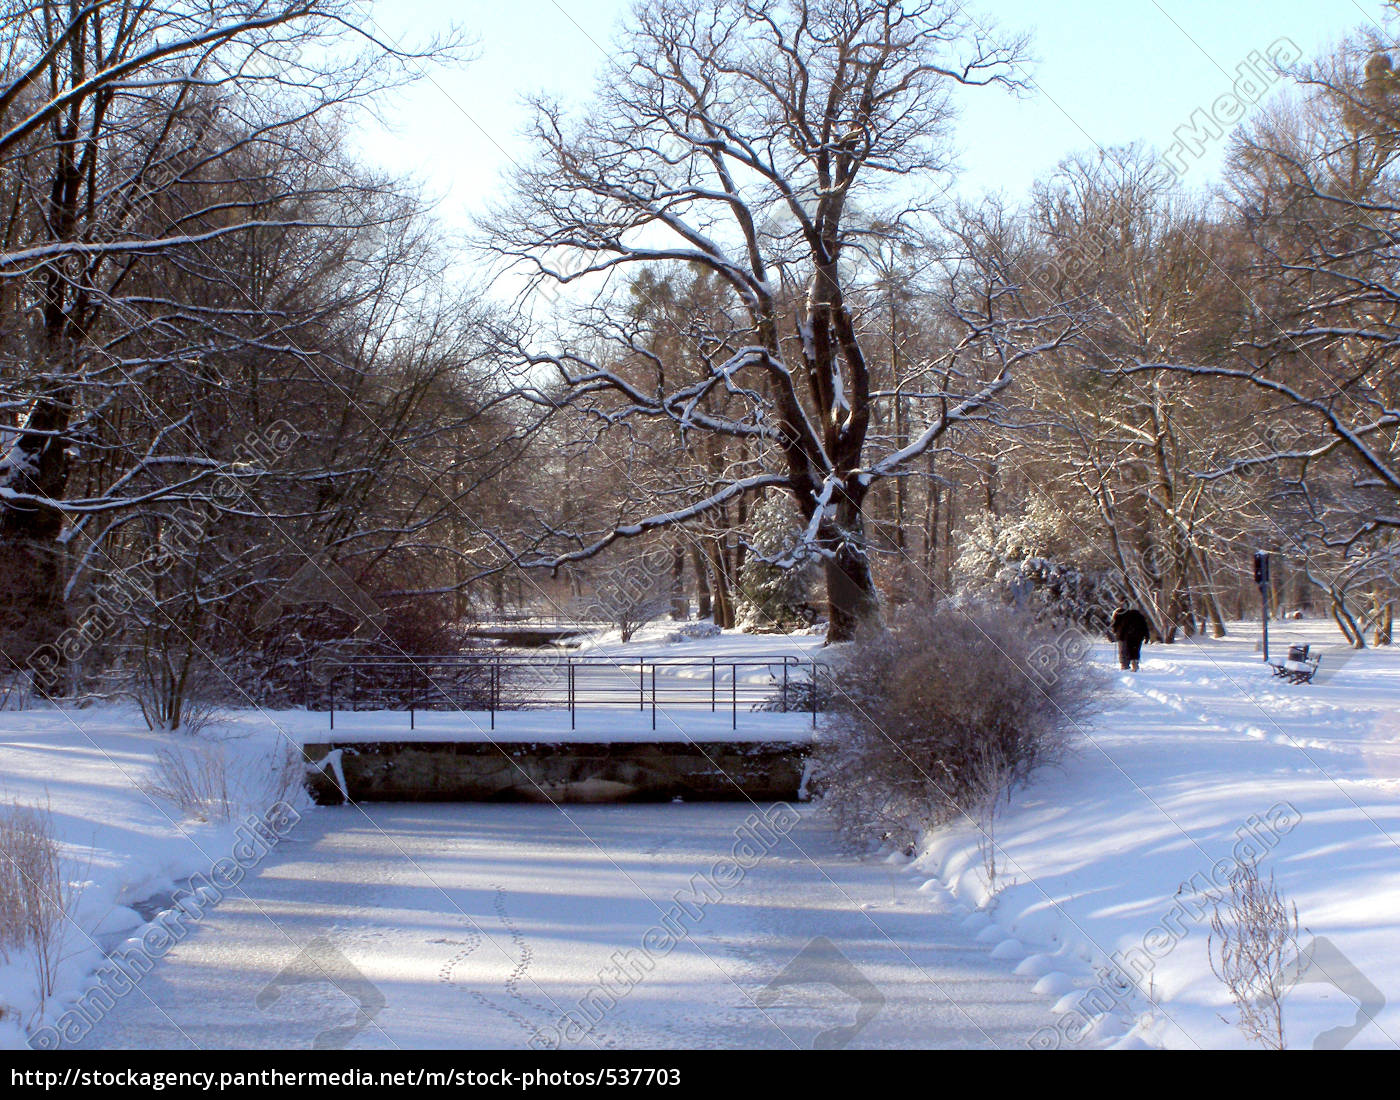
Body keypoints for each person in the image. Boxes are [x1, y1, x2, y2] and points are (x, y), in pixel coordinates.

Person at [1110, 605, 1151, 671]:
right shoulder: (1139, 616)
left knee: (1123, 651)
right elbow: (1145, 626)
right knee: (1135, 650)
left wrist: (1115, 632)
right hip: (1138, 636)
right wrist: (1147, 636)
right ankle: (1135, 664)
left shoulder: (1119, 614)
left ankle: (1124, 665)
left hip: (1123, 636)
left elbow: (1114, 625)